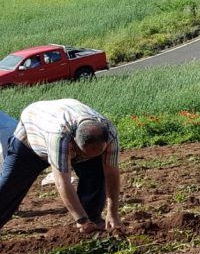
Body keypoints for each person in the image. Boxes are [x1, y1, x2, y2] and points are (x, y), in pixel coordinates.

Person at [0, 99, 122, 233]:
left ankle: (92, 220)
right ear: (73, 142)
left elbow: (111, 173)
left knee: (96, 170)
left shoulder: (109, 133)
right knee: (9, 187)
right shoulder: (60, 136)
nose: (87, 158)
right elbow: (62, 182)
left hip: (65, 122)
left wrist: (113, 213)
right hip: (32, 136)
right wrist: (80, 219)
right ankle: (85, 222)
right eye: (83, 153)